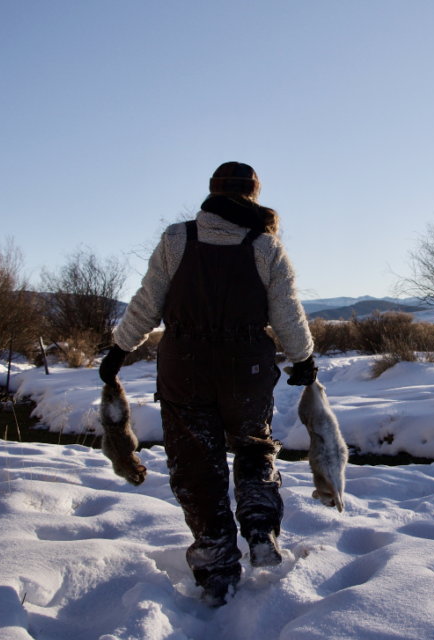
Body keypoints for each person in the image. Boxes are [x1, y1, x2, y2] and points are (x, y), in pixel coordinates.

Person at [98, 162, 317, 606]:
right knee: (255, 449)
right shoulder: (265, 244)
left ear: (213, 194)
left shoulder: (176, 239)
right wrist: (304, 359)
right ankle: (259, 530)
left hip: (185, 367)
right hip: (246, 369)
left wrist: (119, 351)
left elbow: (147, 304)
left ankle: (217, 564)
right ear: (253, 195)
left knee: (197, 465)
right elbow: (287, 314)